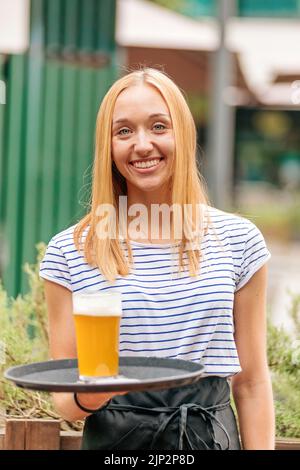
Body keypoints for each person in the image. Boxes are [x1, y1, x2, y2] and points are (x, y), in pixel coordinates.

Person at [40, 68, 275, 450]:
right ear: (108, 145)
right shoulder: (70, 251)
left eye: (158, 126)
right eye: (124, 131)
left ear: (182, 132)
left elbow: (251, 383)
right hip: (117, 444)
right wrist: (93, 394)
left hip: (207, 439)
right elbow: (66, 402)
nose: (142, 144)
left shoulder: (238, 240)